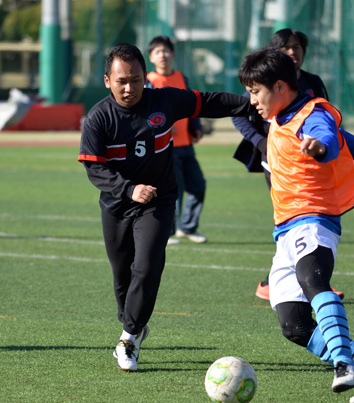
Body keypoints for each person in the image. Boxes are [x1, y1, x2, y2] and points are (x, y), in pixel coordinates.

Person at [237, 47, 354, 403]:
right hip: (285, 229)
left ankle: (344, 364)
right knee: (294, 324)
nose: (251, 100)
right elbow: (346, 138)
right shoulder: (282, 115)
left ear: (280, 86)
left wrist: (319, 147)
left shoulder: (311, 115)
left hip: (312, 218)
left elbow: (330, 138)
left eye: (256, 91)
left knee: (313, 281)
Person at [78, 43, 251, 372]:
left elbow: (208, 102)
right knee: (122, 276)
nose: (129, 88)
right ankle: (133, 324)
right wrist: (129, 189)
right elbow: (95, 169)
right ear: (106, 81)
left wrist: (252, 105)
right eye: (121, 81)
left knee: (147, 266)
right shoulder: (99, 117)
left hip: (159, 201)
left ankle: (128, 338)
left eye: (135, 79)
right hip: (116, 205)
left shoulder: (165, 99)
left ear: (146, 77)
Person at [232, 29, 340, 301]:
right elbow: (240, 117)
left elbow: (325, 116)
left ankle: (309, 279)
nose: (293, 52)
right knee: (295, 217)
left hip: (312, 164)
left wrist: (326, 143)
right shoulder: (265, 83)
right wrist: (262, 144)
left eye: (297, 47)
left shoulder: (312, 82)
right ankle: (296, 282)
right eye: (286, 47)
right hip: (279, 163)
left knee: (312, 220)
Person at [147, 35, 207, 245]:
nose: (163, 55)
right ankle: (168, 232)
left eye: (166, 51)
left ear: (172, 54)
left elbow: (191, 105)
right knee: (174, 191)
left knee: (198, 185)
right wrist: (162, 125)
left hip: (186, 145)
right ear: (151, 57)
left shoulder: (182, 78)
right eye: (157, 52)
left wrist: (196, 127)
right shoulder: (149, 81)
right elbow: (145, 113)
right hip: (165, 148)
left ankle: (187, 228)